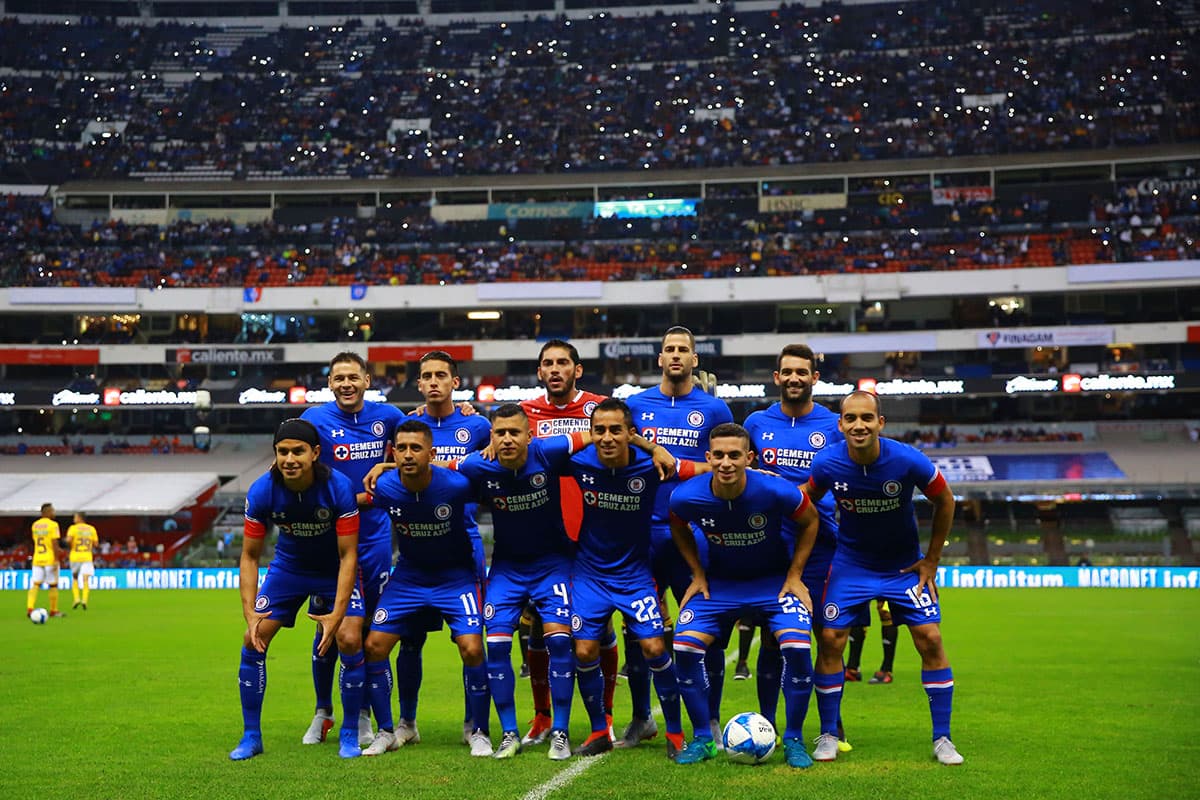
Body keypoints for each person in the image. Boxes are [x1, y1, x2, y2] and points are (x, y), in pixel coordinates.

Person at [805, 391, 963, 765]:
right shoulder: (827, 462)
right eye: (851, 419)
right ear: (840, 424)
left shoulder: (907, 460)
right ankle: (828, 733)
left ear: (880, 423)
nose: (859, 425)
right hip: (851, 565)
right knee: (830, 639)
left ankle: (943, 739)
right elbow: (806, 498)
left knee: (930, 638)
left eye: (867, 418)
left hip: (904, 567)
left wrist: (932, 561)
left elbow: (947, 501)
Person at [668, 422, 821, 767]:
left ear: (748, 458)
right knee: (684, 647)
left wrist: (795, 575)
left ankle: (793, 739)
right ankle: (704, 738)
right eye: (718, 455)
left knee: (797, 648)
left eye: (734, 455)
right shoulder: (687, 496)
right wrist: (697, 573)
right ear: (708, 457)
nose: (726, 463)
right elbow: (676, 525)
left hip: (772, 583)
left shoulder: (775, 490)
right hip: (720, 584)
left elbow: (811, 521)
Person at [623, 326, 733, 748]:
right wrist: (651, 449)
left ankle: (715, 717)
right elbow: (614, 440)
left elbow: (729, 464)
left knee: (711, 627)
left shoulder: (714, 409)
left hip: (694, 534)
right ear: (658, 358)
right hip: (640, 532)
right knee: (638, 630)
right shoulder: (636, 405)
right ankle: (641, 719)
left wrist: (681, 465)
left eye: (683, 350)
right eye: (668, 349)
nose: (675, 356)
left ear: (694, 360)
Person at [230, 418, 365, 761]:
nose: (290, 459)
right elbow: (248, 556)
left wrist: (338, 611)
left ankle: (349, 733)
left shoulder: (338, 487)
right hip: (289, 569)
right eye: (282, 452)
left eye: (298, 451)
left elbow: (349, 554)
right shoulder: (262, 490)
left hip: (334, 570)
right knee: (253, 638)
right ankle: (251, 736)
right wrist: (249, 611)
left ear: (315, 453)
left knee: (348, 638)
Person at [567, 398, 695, 759]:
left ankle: (674, 732)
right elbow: (537, 451)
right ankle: (598, 731)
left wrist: (651, 447)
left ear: (630, 433)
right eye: (600, 430)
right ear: (591, 434)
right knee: (585, 650)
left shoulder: (650, 466)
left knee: (655, 648)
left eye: (616, 430)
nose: (607, 437)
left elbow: (701, 469)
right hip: (589, 574)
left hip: (635, 574)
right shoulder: (577, 462)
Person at [360, 420, 493, 758]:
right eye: (401, 449)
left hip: (455, 577)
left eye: (415, 448)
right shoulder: (386, 486)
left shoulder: (455, 484)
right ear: (393, 452)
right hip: (409, 577)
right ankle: (390, 730)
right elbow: (353, 501)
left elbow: (494, 487)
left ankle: (477, 730)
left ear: (431, 454)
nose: (407, 454)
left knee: (473, 648)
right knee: (375, 645)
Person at [743, 343, 852, 748]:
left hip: (822, 544)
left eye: (801, 372)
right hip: (771, 544)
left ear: (814, 378)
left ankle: (831, 723)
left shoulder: (831, 425)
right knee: (773, 636)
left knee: (828, 634)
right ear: (776, 378)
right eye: (786, 372)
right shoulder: (756, 422)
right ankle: (767, 725)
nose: (793, 379)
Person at [301, 351, 405, 747]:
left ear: (367, 380)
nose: (346, 383)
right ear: (330, 383)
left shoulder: (389, 417)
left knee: (369, 630)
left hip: (375, 538)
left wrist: (387, 468)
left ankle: (362, 713)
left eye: (353, 377)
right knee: (328, 625)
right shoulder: (314, 420)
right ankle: (322, 711)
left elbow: (421, 440)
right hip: (329, 538)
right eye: (338, 377)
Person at [517, 339, 613, 747]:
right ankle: (542, 716)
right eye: (547, 364)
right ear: (540, 372)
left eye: (563, 363)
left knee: (599, 626)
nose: (555, 369)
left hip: (593, 534)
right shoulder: (524, 413)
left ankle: (604, 716)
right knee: (539, 627)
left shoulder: (600, 409)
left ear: (578, 370)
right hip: (540, 538)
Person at [410, 350, 492, 744]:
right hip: (414, 545)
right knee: (409, 639)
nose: (434, 382)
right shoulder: (405, 425)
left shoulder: (477, 426)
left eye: (442, 375)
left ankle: (472, 723)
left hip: (464, 542)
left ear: (455, 382)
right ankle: (407, 723)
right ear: (419, 384)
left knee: (470, 640)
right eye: (427, 376)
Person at [845, 599, 899, 684]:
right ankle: (852, 669)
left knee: (885, 611)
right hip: (864, 585)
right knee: (857, 608)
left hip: (887, 585)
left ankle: (886, 670)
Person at [27, 502, 64, 618]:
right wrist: (57, 559)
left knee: (35, 584)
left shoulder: (35, 525)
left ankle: (30, 608)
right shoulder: (53, 525)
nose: (54, 512)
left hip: (37, 558)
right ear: (46, 512)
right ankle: (54, 610)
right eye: (52, 510)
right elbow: (54, 543)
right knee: (53, 585)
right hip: (49, 559)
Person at [65, 512, 99, 610]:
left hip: (75, 556)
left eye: (75, 517)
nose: (74, 519)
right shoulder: (91, 529)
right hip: (87, 556)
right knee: (85, 579)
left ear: (80, 518)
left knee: (75, 578)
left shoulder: (73, 528)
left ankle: (76, 599)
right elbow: (96, 544)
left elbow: (68, 540)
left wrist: (71, 544)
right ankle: (84, 600)